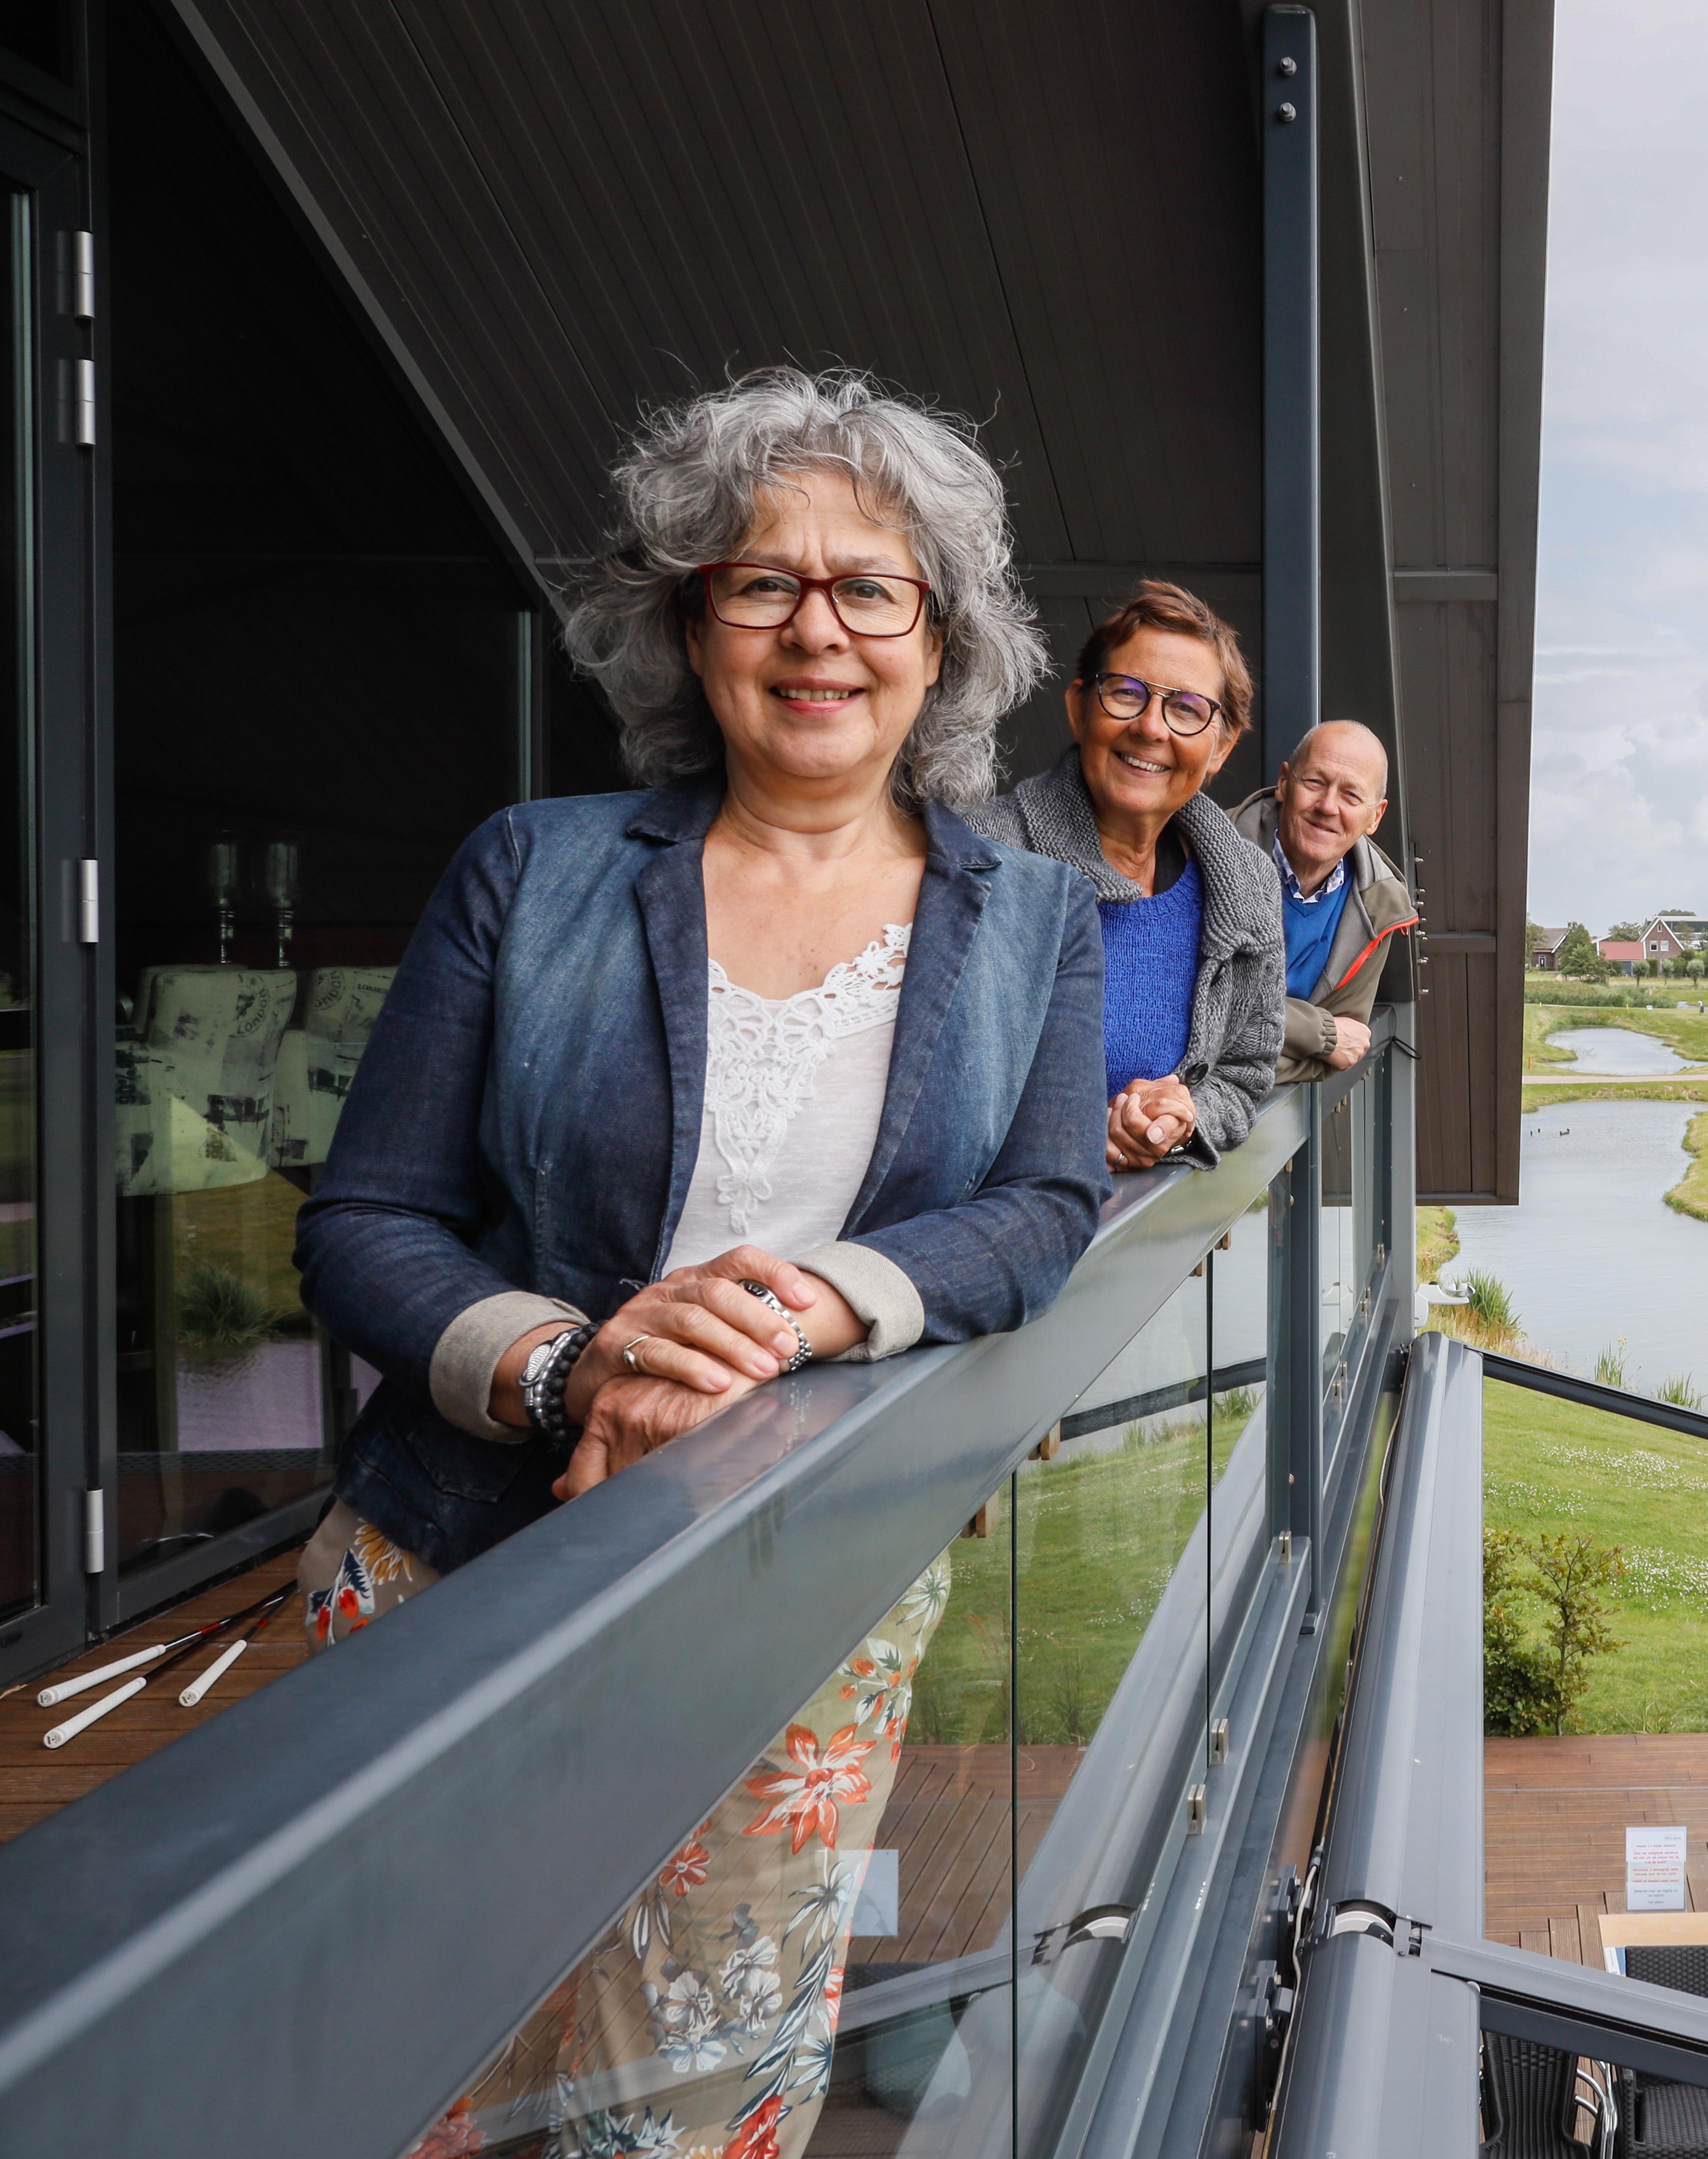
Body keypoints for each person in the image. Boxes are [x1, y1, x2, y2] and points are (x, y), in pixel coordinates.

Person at [290, 367, 1104, 2158]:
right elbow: (362, 1226)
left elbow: (1042, 1207)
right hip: (457, 1559)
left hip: (798, 1600)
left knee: (690, 2086)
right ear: (691, 624)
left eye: (868, 585)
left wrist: (805, 1301)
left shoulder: (1032, 919)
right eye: (761, 580)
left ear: (942, 634)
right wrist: (579, 1366)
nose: (818, 627)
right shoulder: (533, 868)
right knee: (396, 2067)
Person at [974, 581, 1282, 1169]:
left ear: (1221, 747)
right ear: (1078, 708)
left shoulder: (1247, 884)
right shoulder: (984, 858)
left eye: (1187, 709)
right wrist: (1070, 1135)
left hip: (1138, 1241)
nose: (1151, 728)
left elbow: (1245, 1076)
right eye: (1126, 693)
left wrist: (1183, 1113)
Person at [1231, 720, 1416, 1083]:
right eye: (1315, 782)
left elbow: (1339, 1055)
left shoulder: (1380, 905)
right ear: (1284, 782)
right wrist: (1319, 1034)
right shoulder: (1203, 858)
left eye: (1351, 795)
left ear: (1375, 816)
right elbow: (1191, 1016)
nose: (1328, 806)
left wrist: (1317, 1045)